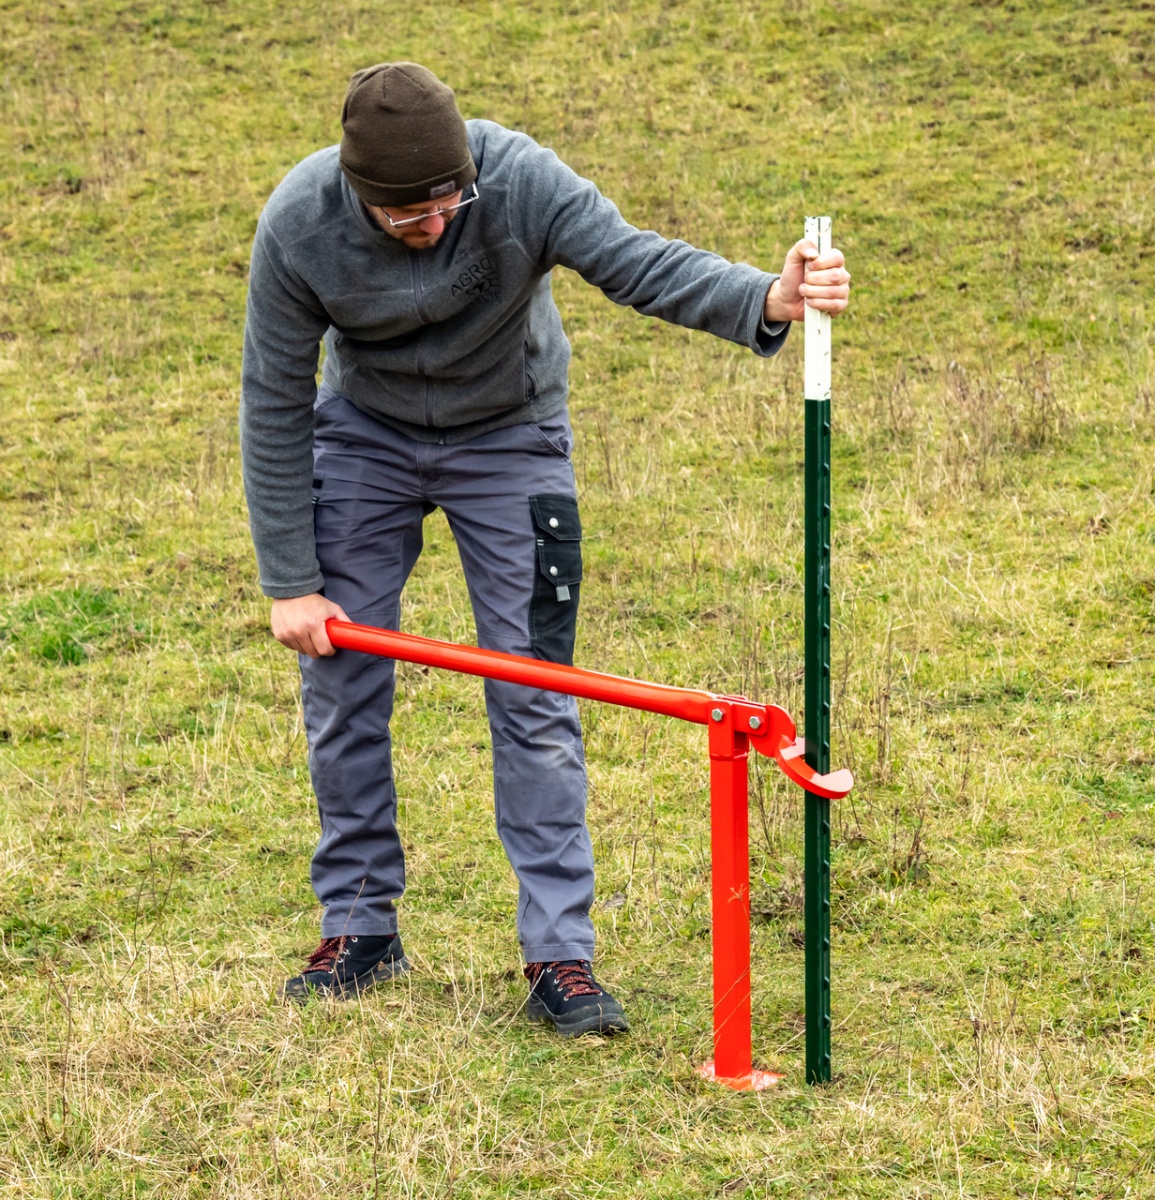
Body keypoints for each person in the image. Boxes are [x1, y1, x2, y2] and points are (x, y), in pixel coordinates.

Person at [240, 62, 850, 1037]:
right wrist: (292, 583)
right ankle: (359, 927)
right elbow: (272, 397)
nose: (433, 227)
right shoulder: (300, 220)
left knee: (534, 691)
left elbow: (636, 261)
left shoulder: (520, 178)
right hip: (363, 437)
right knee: (342, 679)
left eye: (447, 205)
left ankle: (558, 955)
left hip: (509, 436)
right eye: (407, 219)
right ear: (362, 197)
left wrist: (765, 299)